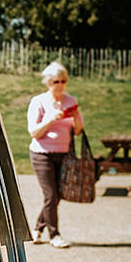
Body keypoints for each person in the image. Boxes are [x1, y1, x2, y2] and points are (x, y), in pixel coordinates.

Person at [26, 61, 84, 248]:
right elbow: (34, 132)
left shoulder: (71, 101)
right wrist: (50, 119)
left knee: (56, 195)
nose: (59, 85)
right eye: (55, 81)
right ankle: (54, 235)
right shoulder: (38, 101)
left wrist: (76, 116)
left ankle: (36, 229)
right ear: (48, 83)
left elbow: (77, 131)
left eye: (63, 81)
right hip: (42, 153)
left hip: (64, 153)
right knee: (51, 195)